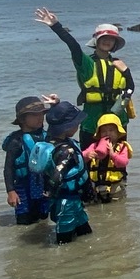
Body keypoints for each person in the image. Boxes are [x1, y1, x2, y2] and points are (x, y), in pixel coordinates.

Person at [34, 7, 135, 145]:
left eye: (111, 39)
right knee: (89, 160)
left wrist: (126, 71)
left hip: (117, 122)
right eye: (104, 38)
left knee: (118, 162)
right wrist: (56, 26)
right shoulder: (86, 63)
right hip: (92, 120)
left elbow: (129, 89)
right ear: (96, 41)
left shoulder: (119, 64)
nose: (107, 41)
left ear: (115, 43)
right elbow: (73, 46)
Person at [41, 101, 93, 244]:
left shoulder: (51, 140)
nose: (77, 126)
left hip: (74, 199)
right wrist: (49, 193)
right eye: (75, 123)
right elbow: (57, 175)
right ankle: (64, 262)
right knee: (64, 239)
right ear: (66, 127)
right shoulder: (66, 152)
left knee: (85, 232)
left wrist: (56, 105)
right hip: (67, 201)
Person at [2, 97, 50, 225]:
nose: (40, 117)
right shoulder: (16, 141)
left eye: (41, 114)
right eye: (35, 115)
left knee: (44, 220)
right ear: (22, 119)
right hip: (23, 187)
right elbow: (8, 168)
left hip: (43, 186)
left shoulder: (47, 137)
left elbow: (62, 121)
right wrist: (11, 191)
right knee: (24, 221)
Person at [82, 112, 131, 203]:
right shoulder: (94, 146)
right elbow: (81, 157)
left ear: (118, 133)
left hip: (115, 187)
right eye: (103, 131)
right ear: (99, 134)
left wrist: (113, 154)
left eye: (111, 130)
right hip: (97, 187)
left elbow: (123, 162)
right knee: (96, 207)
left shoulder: (122, 147)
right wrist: (87, 155)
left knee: (117, 211)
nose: (107, 133)